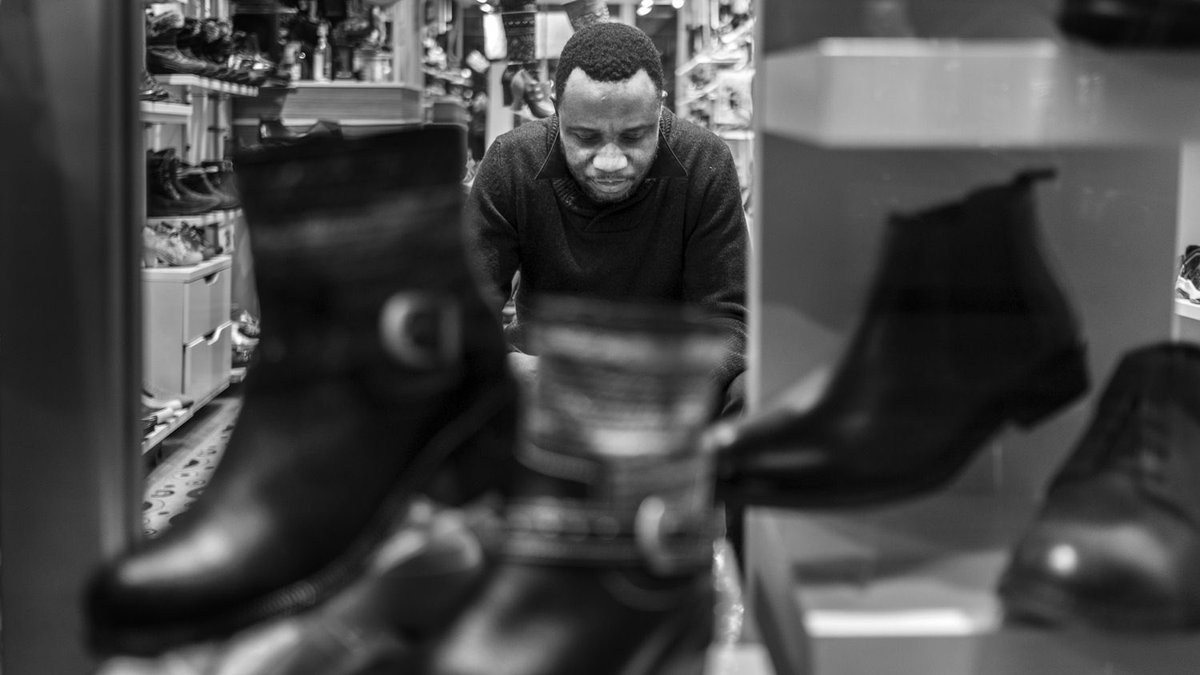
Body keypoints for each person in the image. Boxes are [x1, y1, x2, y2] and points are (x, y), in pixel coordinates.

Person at [466, 21, 749, 417]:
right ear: (555, 104)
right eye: (585, 136)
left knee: (747, 391)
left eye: (634, 137)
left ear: (660, 105)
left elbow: (729, 324)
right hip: (542, 377)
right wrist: (509, 365)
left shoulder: (705, 162)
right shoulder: (512, 162)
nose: (610, 162)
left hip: (665, 387)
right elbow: (468, 310)